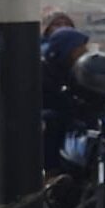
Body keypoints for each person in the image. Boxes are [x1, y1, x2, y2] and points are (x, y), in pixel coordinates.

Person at [41, 28, 91, 178]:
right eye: (79, 49)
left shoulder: (75, 73)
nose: (84, 52)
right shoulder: (43, 72)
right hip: (52, 122)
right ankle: (52, 173)